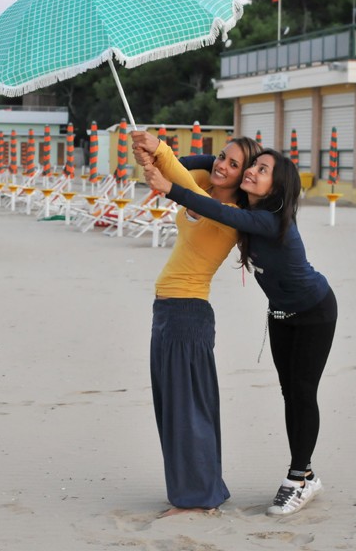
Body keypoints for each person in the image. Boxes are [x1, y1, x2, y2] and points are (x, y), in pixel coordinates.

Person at [141, 145, 336, 517]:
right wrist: (216, 161)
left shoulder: (267, 220)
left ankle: (299, 477)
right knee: (288, 391)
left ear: (276, 186)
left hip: (315, 310)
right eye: (253, 167)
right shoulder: (246, 210)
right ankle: (305, 472)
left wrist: (169, 186)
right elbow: (203, 174)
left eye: (261, 170)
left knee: (301, 392)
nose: (251, 173)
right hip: (280, 312)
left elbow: (210, 207)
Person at [130, 131, 261, 517]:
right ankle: (201, 489)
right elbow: (185, 174)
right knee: (175, 407)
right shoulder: (207, 184)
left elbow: (183, 186)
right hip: (169, 312)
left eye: (234, 165)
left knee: (188, 410)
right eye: (222, 156)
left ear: (244, 177)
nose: (221, 165)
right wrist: (150, 158)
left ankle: (197, 499)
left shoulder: (233, 216)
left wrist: (162, 150)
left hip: (188, 313)